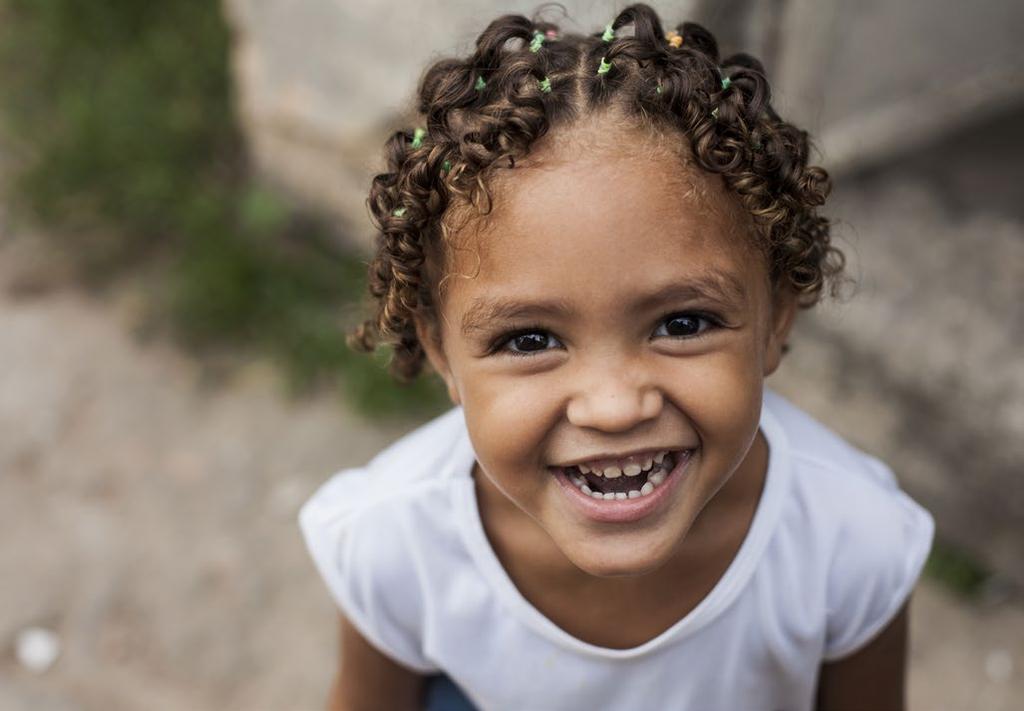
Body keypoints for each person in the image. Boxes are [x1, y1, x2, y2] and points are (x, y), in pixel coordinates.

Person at [298, 5, 935, 710]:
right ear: (439, 348)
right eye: (530, 339)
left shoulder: (853, 543)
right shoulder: (395, 543)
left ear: (776, 319)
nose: (613, 405)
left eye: (683, 322)